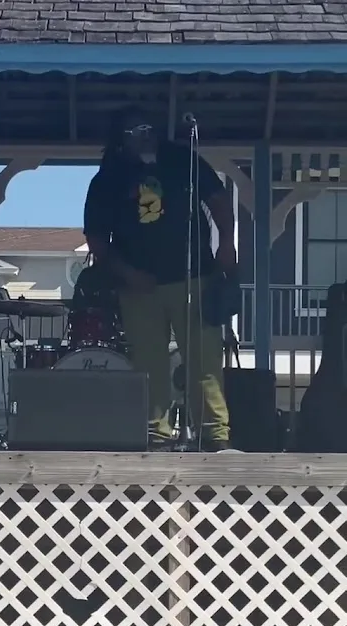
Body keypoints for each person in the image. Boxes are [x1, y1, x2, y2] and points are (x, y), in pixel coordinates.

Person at [83, 107, 236, 451]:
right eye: (136, 131)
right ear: (120, 140)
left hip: (193, 277)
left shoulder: (182, 160)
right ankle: (157, 435)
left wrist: (227, 242)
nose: (146, 135)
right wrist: (128, 274)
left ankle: (214, 435)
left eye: (149, 128)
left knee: (204, 360)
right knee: (149, 363)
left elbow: (218, 199)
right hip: (139, 286)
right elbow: (97, 239)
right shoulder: (108, 179)